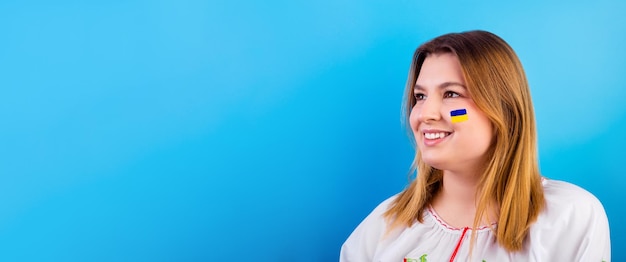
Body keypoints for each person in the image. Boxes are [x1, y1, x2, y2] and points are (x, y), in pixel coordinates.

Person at [340, 30, 611, 261]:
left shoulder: (570, 217)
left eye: (451, 94)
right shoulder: (382, 227)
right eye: (420, 96)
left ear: (503, 109)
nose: (424, 114)